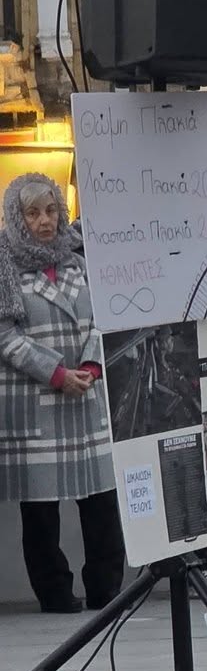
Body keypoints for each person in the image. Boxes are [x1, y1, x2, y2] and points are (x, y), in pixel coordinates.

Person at [0, 173, 124, 613]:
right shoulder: (4, 267)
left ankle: (106, 589)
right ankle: (54, 593)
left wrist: (90, 366)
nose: (45, 221)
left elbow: (103, 318)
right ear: (17, 218)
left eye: (51, 210)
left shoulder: (79, 262)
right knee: (40, 507)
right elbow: (5, 336)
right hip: (37, 402)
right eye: (33, 213)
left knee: (101, 498)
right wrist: (55, 374)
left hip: (86, 395)